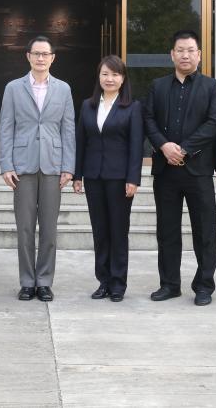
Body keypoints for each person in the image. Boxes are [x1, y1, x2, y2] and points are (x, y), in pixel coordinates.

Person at [143, 29, 216, 306]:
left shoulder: (211, 87)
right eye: (180, 50)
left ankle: (204, 286)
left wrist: (185, 149)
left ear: (199, 55)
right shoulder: (158, 86)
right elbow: (148, 119)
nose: (185, 55)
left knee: (205, 231)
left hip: (198, 170)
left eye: (190, 50)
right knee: (167, 231)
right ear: (172, 55)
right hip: (165, 171)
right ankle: (169, 284)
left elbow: (213, 123)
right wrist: (164, 146)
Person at [0, 35, 75, 302]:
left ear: (53, 58)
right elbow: (6, 127)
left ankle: (44, 281)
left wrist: (68, 166)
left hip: (53, 165)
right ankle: (26, 281)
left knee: (49, 229)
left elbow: (68, 129)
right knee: (24, 228)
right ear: (28, 56)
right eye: (36, 54)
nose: (40, 58)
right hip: (22, 165)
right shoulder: (13, 88)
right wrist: (6, 164)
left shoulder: (63, 89)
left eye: (45, 54)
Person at [72, 55, 143, 302]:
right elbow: (81, 141)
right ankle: (103, 281)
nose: (109, 79)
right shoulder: (88, 106)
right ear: (99, 77)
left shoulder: (132, 107)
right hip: (93, 177)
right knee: (100, 231)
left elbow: (136, 146)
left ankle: (118, 283)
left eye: (115, 74)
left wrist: (133, 178)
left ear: (123, 78)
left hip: (120, 179)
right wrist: (77, 175)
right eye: (105, 74)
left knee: (118, 231)